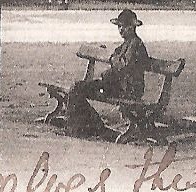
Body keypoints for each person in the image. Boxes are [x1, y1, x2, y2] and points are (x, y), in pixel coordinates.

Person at [57, 9, 153, 138]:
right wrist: (112, 62)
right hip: (117, 85)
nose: (120, 30)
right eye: (119, 26)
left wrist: (112, 61)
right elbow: (117, 63)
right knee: (77, 88)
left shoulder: (135, 44)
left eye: (124, 27)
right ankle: (83, 125)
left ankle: (89, 126)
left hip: (128, 89)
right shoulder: (127, 44)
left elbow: (123, 67)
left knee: (77, 89)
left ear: (132, 27)